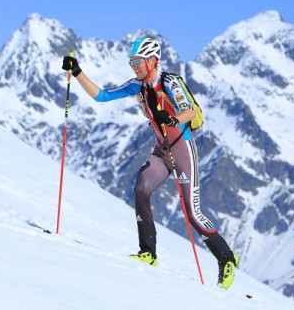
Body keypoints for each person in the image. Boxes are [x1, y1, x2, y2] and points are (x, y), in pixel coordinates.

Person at [61, 37, 238, 289]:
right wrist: (77, 72)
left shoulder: (170, 82)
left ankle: (226, 258)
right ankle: (148, 253)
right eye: (131, 62)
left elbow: (190, 111)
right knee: (141, 189)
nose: (133, 66)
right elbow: (101, 96)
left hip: (183, 149)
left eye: (137, 62)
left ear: (153, 61)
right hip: (162, 150)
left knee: (191, 212)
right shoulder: (138, 86)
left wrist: (173, 119)